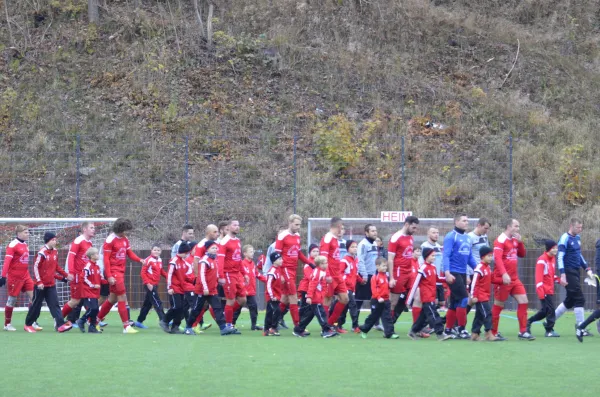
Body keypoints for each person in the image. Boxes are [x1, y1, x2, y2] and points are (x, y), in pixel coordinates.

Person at [95, 218, 144, 334]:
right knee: (122, 297)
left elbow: (129, 253)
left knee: (112, 299)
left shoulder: (125, 239)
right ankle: (126, 326)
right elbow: (106, 260)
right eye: (126, 230)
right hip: (113, 272)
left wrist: (140, 260)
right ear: (121, 229)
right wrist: (110, 275)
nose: (127, 232)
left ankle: (94, 320)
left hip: (120, 271)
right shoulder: (110, 240)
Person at [491, 219, 533, 340]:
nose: (518, 229)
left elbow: (522, 254)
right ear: (509, 226)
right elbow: (497, 259)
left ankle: (523, 332)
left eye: (518, 226)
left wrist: (520, 243)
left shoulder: (515, 240)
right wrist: (504, 274)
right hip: (502, 279)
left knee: (524, 300)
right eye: (516, 226)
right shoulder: (500, 240)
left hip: (514, 278)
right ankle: (493, 332)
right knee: (499, 304)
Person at [183, 240, 235, 336]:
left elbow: (213, 274)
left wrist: (218, 280)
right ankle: (188, 327)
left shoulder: (214, 260)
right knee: (196, 309)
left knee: (217, 308)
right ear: (207, 249)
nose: (215, 250)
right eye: (213, 248)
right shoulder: (204, 260)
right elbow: (201, 275)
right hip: (202, 290)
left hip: (212, 290)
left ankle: (223, 328)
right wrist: (205, 288)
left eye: (216, 248)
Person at [24, 232, 72, 333]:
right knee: (36, 305)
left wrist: (66, 275)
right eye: (53, 240)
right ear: (48, 240)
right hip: (40, 286)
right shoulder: (41, 252)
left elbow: (56, 267)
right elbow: (35, 267)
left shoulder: (55, 251)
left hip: (51, 284)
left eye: (55, 239)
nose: (55, 241)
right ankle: (28, 324)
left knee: (55, 304)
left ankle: (60, 325)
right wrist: (39, 281)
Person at [555, 218, 593, 335]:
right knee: (579, 299)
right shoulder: (564, 238)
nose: (580, 230)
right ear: (571, 226)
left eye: (581, 227)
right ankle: (580, 327)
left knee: (570, 300)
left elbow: (579, 255)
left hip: (576, 271)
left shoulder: (577, 238)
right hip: (568, 271)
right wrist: (563, 274)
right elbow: (560, 257)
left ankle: (549, 321)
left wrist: (586, 268)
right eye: (578, 227)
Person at [275, 214, 314, 329]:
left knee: (285, 299)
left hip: (293, 269)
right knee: (293, 296)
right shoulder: (282, 236)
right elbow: (276, 255)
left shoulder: (297, 236)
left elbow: (298, 253)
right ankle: (298, 325)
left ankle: (274, 321)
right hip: (285, 269)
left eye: (299, 225)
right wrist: (279, 272)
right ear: (290, 223)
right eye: (296, 224)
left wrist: (310, 263)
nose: (298, 227)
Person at [442, 213, 477, 339]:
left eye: (467, 221)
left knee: (454, 303)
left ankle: (448, 329)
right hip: (453, 272)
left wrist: (477, 268)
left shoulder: (467, 238)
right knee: (463, 299)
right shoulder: (451, 236)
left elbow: (469, 257)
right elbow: (445, 255)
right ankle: (461, 329)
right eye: (464, 220)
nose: (466, 223)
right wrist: (447, 272)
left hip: (462, 273)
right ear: (456, 222)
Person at [407, 248, 453, 341]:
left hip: (432, 295)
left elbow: (437, 278)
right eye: (432, 255)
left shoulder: (433, 267)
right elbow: (415, 283)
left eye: (434, 256)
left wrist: (447, 279)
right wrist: (409, 299)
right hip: (426, 297)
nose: (434, 257)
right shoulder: (423, 268)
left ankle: (413, 331)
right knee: (433, 315)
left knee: (422, 317)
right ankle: (440, 333)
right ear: (427, 256)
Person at [293, 255, 338, 338]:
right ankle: (326, 330)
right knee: (322, 314)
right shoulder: (317, 273)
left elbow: (321, 285)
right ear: (319, 265)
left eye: (326, 263)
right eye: (323, 263)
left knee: (309, 315)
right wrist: (309, 297)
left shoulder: (322, 272)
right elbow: (312, 285)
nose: (326, 265)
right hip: (315, 298)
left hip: (318, 297)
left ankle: (298, 329)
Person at [1, 225, 35, 331]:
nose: (28, 234)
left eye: (28, 232)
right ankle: (7, 324)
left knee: (34, 297)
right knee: (12, 300)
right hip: (15, 277)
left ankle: (31, 321)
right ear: (18, 233)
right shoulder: (12, 245)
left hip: (26, 275)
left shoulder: (25, 244)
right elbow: (7, 262)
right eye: (25, 232)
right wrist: (3, 276)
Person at [61, 222, 95, 326]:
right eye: (91, 227)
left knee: (90, 298)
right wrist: (70, 272)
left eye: (94, 227)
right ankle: (59, 319)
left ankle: (91, 321)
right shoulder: (78, 241)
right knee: (75, 301)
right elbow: (71, 257)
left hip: (85, 276)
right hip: (77, 275)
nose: (94, 229)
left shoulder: (89, 243)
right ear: (85, 229)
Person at [387, 216, 419, 324]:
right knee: (394, 301)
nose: (415, 230)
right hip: (399, 272)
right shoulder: (396, 238)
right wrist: (391, 278)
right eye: (413, 228)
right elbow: (390, 259)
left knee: (416, 295)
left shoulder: (410, 237)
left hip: (409, 272)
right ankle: (388, 324)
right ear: (406, 224)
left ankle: (417, 326)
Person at [320, 217, 350, 330]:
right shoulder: (327, 238)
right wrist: (326, 274)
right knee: (327, 300)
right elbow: (323, 258)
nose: (342, 230)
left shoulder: (334, 239)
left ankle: (330, 323)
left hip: (338, 275)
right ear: (337, 227)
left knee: (345, 299)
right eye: (341, 227)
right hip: (330, 275)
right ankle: (325, 326)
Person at [526, 240, 560, 337]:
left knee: (545, 311)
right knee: (550, 310)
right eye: (553, 248)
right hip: (544, 290)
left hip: (549, 290)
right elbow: (539, 278)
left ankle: (528, 322)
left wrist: (559, 280)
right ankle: (549, 330)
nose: (555, 250)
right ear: (549, 249)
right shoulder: (542, 260)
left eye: (556, 248)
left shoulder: (552, 259)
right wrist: (541, 293)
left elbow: (551, 275)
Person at [358, 258, 398, 339]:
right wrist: (379, 297)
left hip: (386, 300)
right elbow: (373, 290)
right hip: (376, 301)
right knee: (374, 317)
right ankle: (364, 330)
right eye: (383, 266)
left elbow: (386, 288)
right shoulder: (375, 277)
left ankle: (389, 333)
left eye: (386, 266)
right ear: (377, 266)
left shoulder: (386, 276)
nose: (385, 268)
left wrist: (391, 286)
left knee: (387, 317)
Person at [218, 220, 247, 332]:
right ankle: (228, 325)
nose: (237, 227)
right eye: (234, 225)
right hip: (228, 273)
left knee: (243, 299)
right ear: (229, 227)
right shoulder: (224, 242)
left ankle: (226, 314)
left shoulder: (238, 241)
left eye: (238, 225)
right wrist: (221, 276)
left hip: (237, 273)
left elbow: (238, 259)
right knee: (230, 300)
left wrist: (244, 273)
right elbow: (220, 260)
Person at [160, 241, 192, 334]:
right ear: (185, 252)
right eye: (187, 253)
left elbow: (187, 276)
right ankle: (165, 321)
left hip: (181, 289)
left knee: (181, 308)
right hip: (174, 288)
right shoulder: (174, 261)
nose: (187, 255)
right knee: (177, 307)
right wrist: (169, 287)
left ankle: (175, 327)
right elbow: (169, 274)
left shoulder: (184, 263)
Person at [469, 246, 500, 341]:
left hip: (485, 295)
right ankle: (488, 333)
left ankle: (475, 333)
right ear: (482, 257)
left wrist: (502, 281)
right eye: (489, 256)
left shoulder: (488, 267)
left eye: (492, 256)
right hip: (480, 296)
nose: (491, 258)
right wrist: (473, 296)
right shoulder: (479, 268)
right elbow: (474, 283)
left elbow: (492, 279)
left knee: (479, 315)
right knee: (487, 314)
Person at [232, 245, 265, 331]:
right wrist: (243, 289)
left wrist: (267, 280)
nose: (252, 253)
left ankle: (254, 325)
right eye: (250, 251)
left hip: (251, 291)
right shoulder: (242, 264)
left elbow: (257, 274)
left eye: (253, 251)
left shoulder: (253, 264)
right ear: (245, 253)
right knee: (238, 307)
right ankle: (232, 323)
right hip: (243, 291)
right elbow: (239, 277)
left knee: (253, 307)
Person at [355, 224, 381, 331]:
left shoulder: (375, 243)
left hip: (374, 276)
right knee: (359, 300)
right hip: (365, 275)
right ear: (366, 233)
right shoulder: (362, 244)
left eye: (375, 230)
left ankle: (376, 323)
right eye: (372, 231)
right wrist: (364, 274)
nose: (375, 233)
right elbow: (360, 260)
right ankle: (355, 324)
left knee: (375, 299)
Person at [135, 245, 167, 328]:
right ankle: (164, 320)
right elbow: (143, 273)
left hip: (155, 284)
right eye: (155, 250)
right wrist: (148, 283)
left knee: (147, 304)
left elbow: (161, 271)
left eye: (158, 250)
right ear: (151, 250)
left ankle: (139, 321)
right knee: (157, 302)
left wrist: (169, 277)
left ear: (161, 251)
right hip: (149, 285)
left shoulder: (159, 260)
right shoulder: (148, 260)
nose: (156, 251)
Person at [337, 240, 362, 333]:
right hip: (346, 287)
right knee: (353, 305)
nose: (355, 248)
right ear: (347, 249)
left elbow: (354, 273)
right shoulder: (344, 260)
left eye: (356, 246)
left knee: (345, 307)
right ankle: (355, 326)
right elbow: (340, 273)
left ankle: (339, 325)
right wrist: (345, 283)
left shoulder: (356, 259)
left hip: (352, 287)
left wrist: (360, 280)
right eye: (352, 247)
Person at [420, 227, 445, 309]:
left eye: (437, 232)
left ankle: (431, 318)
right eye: (434, 232)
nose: (436, 234)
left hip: (438, 279)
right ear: (428, 234)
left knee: (442, 302)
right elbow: (421, 264)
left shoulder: (439, 247)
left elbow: (441, 262)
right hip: (429, 280)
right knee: (433, 302)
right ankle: (432, 320)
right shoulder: (424, 246)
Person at [80, 248, 102, 333]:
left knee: (96, 310)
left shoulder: (97, 266)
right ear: (92, 256)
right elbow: (83, 277)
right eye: (96, 254)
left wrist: (108, 281)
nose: (98, 255)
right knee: (93, 308)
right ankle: (81, 320)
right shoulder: (88, 266)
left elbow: (100, 278)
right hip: (88, 291)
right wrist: (92, 285)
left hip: (95, 292)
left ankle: (92, 328)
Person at [264, 252, 283, 336]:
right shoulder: (272, 271)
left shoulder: (278, 269)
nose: (281, 260)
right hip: (272, 296)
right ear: (274, 261)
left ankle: (267, 329)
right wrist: (272, 296)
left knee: (270, 312)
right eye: (279, 259)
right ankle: (272, 328)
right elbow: (268, 285)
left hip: (277, 296)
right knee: (276, 311)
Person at [298, 244, 319, 314]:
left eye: (317, 251)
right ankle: (299, 322)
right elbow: (310, 277)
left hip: (312, 288)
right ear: (309, 253)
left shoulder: (319, 263)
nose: (316, 253)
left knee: (311, 308)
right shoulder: (308, 263)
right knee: (304, 307)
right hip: (306, 288)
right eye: (314, 251)